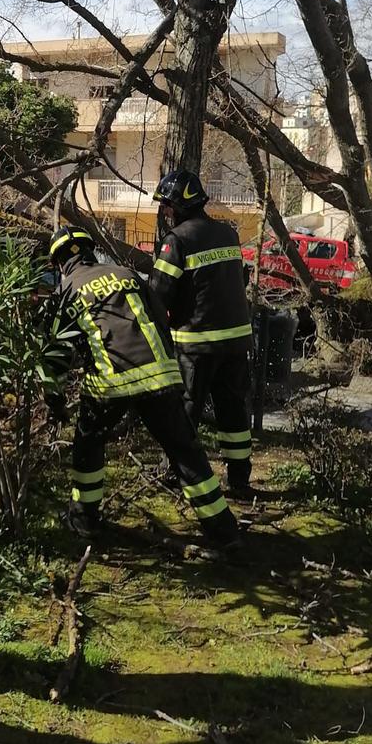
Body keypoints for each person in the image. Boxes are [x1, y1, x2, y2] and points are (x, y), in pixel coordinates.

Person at [48, 227, 240, 551]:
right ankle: (224, 533)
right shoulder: (126, 274)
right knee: (186, 454)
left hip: (109, 383)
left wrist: (54, 400)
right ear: (89, 250)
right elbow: (160, 318)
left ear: (59, 262)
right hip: (159, 377)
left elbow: (55, 353)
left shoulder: (66, 292)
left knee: (88, 448)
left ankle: (84, 521)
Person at [149, 170, 254, 498]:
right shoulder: (228, 233)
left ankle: (178, 473)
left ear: (179, 206)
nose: (165, 212)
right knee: (234, 412)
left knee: (186, 412)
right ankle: (238, 481)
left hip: (197, 344)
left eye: (167, 206)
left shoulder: (176, 241)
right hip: (237, 342)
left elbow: (157, 295)